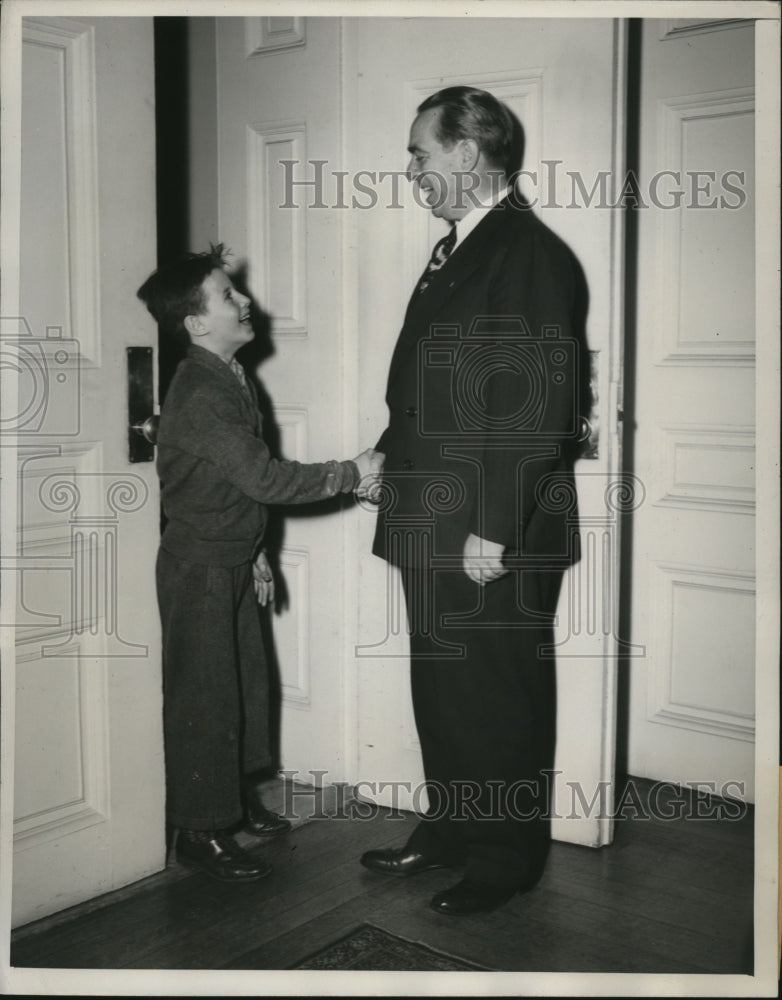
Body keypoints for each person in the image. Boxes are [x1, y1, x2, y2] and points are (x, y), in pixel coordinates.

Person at [361, 87, 588, 915]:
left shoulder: (524, 251)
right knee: (445, 688)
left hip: (489, 525)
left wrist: (492, 528)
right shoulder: (462, 248)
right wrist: (387, 461)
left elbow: (535, 409)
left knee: (495, 695)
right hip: (436, 514)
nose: (412, 168)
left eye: (420, 152)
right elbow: (436, 389)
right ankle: (454, 827)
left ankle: (505, 854)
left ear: (466, 153)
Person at [137, 246, 381, 883]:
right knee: (205, 698)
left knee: (243, 684)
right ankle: (199, 828)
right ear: (195, 323)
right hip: (199, 569)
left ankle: (234, 802)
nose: (245, 301)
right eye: (227, 295)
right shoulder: (200, 393)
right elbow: (264, 478)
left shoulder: (227, 376)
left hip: (230, 559)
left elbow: (234, 488)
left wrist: (258, 554)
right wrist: (351, 472)